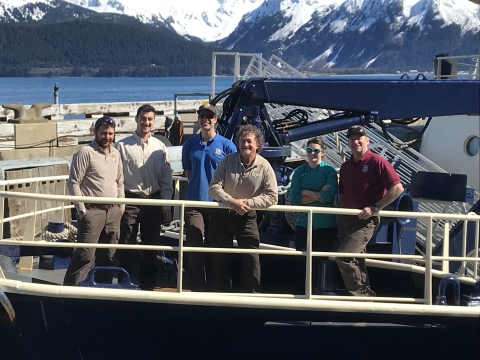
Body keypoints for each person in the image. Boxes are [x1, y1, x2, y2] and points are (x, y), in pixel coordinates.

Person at [208, 124, 278, 292]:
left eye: (249, 141)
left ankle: (252, 294)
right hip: (223, 215)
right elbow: (213, 188)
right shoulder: (227, 161)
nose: (245, 145)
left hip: (247, 217)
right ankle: (220, 295)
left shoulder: (264, 166)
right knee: (219, 258)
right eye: (242, 141)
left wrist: (247, 203)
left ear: (257, 144)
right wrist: (232, 202)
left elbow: (272, 196)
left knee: (251, 258)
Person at [336, 125, 404, 296]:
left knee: (343, 256)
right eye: (352, 138)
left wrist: (375, 207)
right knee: (357, 259)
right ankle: (365, 296)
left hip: (365, 220)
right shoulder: (346, 166)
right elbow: (343, 194)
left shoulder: (377, 161)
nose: (356, 141)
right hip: (346, 219)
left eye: (359, 137)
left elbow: (397, 188)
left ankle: (360, 297)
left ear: (367, 140)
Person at [115, 104, 173, 290]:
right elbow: (116, 177)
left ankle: (148, 283)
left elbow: (166, 178)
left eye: (149, 119)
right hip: (130, 199)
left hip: (153, 200)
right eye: (143, 118)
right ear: (136, 119)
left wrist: (166, 204)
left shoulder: (160, 147)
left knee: (151, 244)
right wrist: (120, 202)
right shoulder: (122, 146)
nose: (146, 122)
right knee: (126, 242)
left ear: (153, 122)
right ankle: (124, 281)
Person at [64, 117, 124, 286]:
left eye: (111, 133)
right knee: (85, 255)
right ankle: (72, 290)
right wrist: (82, 209)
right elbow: (74, 182)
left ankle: (100, 288)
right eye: (104, 132)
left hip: (113, 212)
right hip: (92, 211)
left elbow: (119, 181)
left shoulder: (116, 153)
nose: (107, 136)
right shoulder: (86, 152)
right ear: (95, 132)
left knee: (109, 254)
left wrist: (121, 206)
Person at [182, 104, 236, 291]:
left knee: (217, 248)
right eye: (202, 116)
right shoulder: (189, 145)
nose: (205, 119)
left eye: (209, 116)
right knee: (195, 246)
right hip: (194, 202)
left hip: (218, 204)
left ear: (216, 119)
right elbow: (188, 171)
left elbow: (232, 174)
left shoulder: (227, 145)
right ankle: (198, 287)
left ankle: (219, 287)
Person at [289, 137, 338, 289]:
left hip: (326, 226)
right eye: (309, 150)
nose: (312, 154)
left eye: (316, 151)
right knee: (302, 261)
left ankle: (320, 291)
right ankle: (302, 293)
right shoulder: (299, 172)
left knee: (321, 261)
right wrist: (318, 195)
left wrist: (307, 192)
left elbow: (329, 196)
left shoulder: (329, 171)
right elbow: (296, 199)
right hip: (304, 225)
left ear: (323, 152)